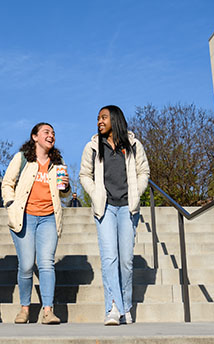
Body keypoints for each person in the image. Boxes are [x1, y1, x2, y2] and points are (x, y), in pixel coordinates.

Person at [79, 105, 149, 326]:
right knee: (110, 259)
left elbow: (143, 171)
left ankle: (125, 307)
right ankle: (112, 307)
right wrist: (95, 193)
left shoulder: (134, 145)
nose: (99, 121)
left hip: (128, 207)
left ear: (115, 120)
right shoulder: (92, 147)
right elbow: (84, 175)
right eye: (98, 118)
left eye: (104, 117)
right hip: (106, 208)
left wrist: (136, 192)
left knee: (126, 261)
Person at [1, 122, 70, 324]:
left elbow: (64, 193)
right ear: (35, 137)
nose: (51, 136)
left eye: (53, 133)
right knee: (26, 265)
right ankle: (25, 309)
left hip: (49, 217)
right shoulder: (22, 159)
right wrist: (11, 204)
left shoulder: (57, 162)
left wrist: (65, 186)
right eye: (46, 132)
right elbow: (7, 182)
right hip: (25, 217)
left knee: (47, 263)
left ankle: (48, 311)